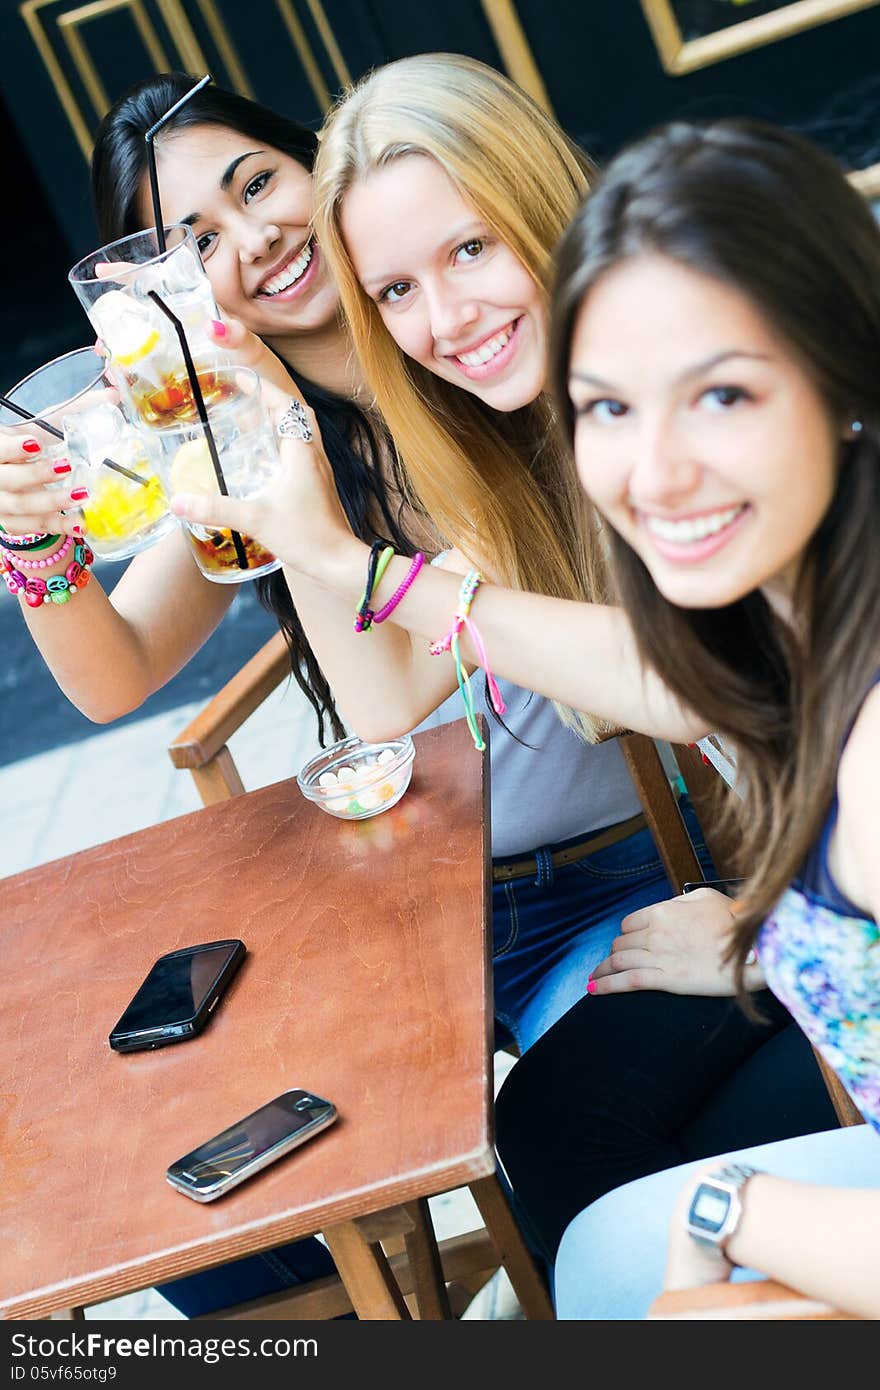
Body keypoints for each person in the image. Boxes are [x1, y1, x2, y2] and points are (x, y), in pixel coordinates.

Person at [169, 58, 840, 1277]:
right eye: (398, 290)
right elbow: (674, 676)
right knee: (537, 1150)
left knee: (593, 1194)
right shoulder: (555, 424)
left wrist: (762, 927)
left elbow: (731, 689)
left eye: (471, 249)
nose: (448, 317)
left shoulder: (701, 366)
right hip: (749, 900)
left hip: (792, 924)